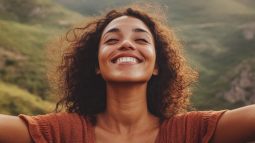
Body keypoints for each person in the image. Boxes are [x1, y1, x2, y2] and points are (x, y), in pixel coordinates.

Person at [0, 6, 255, 143]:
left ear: (156, 65)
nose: (126, 44)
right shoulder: (63, 133)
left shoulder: (190, 131)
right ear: (97, 65)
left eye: (141, 39)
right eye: (112, 39)